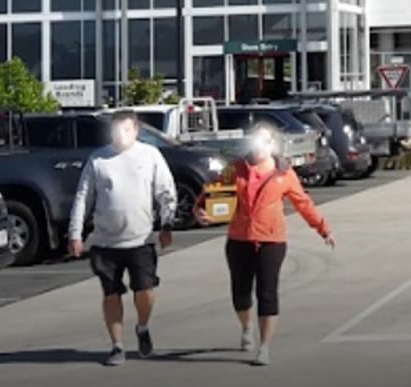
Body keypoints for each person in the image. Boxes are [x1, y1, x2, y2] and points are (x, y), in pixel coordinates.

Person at [200, 125, 334, 366]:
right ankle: (247, 326)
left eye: (264, 141)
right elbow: (214, 193)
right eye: (256, 140)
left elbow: (303, 203)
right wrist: (201, 210)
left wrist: (322, 228)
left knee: (267, 291)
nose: (259, 146)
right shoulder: (236, 169)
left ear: (272, 144)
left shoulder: (283, 173)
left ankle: (264, 347)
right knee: (240, 292)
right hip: (239, 239)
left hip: (271, 239)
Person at [69, 110, 178, 367]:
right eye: (116, 130)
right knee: (111, 294)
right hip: (105, 243)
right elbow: (83, 198)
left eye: (126, 130)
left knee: (145, 291)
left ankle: (142, 326)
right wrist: (75, 233)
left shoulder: (149, 155)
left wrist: (167, 224)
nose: (120, 135)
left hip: (141, 240)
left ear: (136, 130)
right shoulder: (98, 159)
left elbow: (166, 191)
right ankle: (117, 345)